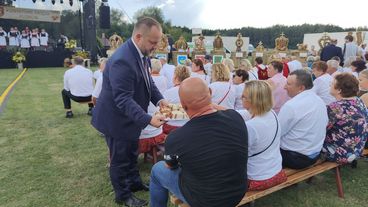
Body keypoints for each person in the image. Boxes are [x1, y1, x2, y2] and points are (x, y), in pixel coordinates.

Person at [91, 17, 169, 207]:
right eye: (152, 42)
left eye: (157, 42)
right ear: (139, 36)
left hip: (131, 118)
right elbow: (122, 99)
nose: (155, 47)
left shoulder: (142, 54)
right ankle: (123, 194)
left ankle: (134, 182)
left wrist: (160, 100)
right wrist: (148, 119)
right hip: (116, 120)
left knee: (132, 152)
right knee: (120, 158)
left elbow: (148, 82)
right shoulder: (122, 60)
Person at [150, 77, 248, 207]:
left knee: (158, 169)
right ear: (210, 93)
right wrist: (206, 102)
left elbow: (170, 166)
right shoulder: (235, 118)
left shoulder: (176, 138)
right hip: (237, 192)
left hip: (204, 200)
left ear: (183, 106)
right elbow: (227, 111)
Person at [278, 70, 328, 169]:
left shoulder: (292, 105)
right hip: (314, 153)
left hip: (295, 157)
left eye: (288, 84)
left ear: (301, 88)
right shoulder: (319, 100)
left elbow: (277, 133)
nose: (284, 87)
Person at [242, 80, 286, 190]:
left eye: (244, 97)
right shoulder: (271, 113)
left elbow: (240, 154)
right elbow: (240, 114)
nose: (240, 98)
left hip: (257, 178)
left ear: (254, 101)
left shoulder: (251, 126)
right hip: (275, 170)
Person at [322, 73, 368, 164]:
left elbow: (321, 128)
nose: (330, 85)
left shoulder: (335, 107)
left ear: (339, 90)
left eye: (332, 83)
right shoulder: (359, 101)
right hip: (356, 150)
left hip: (338, 153)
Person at [163, 65, 191, 134]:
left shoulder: (168, 92)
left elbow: (164, 113)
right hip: (187, 125)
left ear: (175, 77)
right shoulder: (192, 92)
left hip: (171, 126)